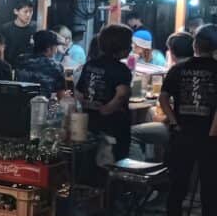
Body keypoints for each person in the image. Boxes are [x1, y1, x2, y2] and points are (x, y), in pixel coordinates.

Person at [159, 24, 217, 216]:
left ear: (195, 45)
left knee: (177, 190)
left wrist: (175, 123)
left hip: (182, 136)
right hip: (210, 140)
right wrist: (212, 133)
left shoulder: (178, 69)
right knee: (210, 194)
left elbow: (163, 98)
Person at [130, 32, 194, 161]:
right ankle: (160, 162)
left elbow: (163, 99)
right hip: (201, 131)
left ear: (171, 51)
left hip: (179, 129)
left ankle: (139, 172)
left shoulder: (176, 70)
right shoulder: (209, 68)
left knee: (130, 133)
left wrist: (172, 121)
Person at [76, 24, 133, 161]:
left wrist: (87, 105)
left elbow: (78, 92)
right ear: (121, 46)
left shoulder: (90, 64)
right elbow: (122, 94)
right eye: (129, 43)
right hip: (114, 124)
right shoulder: (121, 69)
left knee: (92, 159)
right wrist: (107, 109)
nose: (131, 47)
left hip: (90, 121)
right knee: (116, 160)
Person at [15, 30, 67, 97]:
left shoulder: (21, 60)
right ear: (48, 48)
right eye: (55, 46)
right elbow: (60, 96)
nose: (56, 49)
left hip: (21, 104)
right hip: (41, 105)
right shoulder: (56, 66)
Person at [1, 0, 35, 65]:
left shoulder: (35, 27)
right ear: (16, 11)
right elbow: (2, 48)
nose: (28, 15)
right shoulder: (6, 28)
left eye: (31, 11)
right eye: (25, 11)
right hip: (10, 65)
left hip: (29, 66)